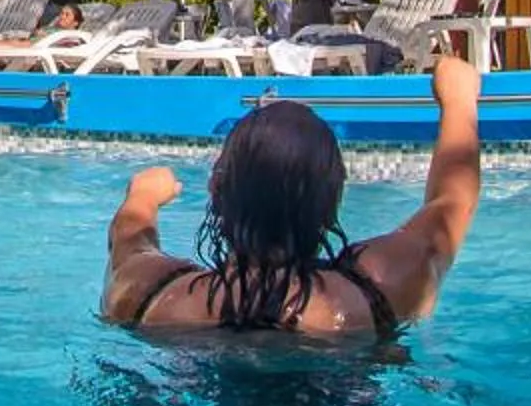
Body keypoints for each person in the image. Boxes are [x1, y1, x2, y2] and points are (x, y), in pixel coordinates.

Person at [99, 55, 480, 340]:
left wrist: (145, 194)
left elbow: (130, 240)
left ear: (216, 189)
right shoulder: (378, 293)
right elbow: (451, 202)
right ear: (332, 203)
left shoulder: (152, 295)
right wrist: (459, 100)